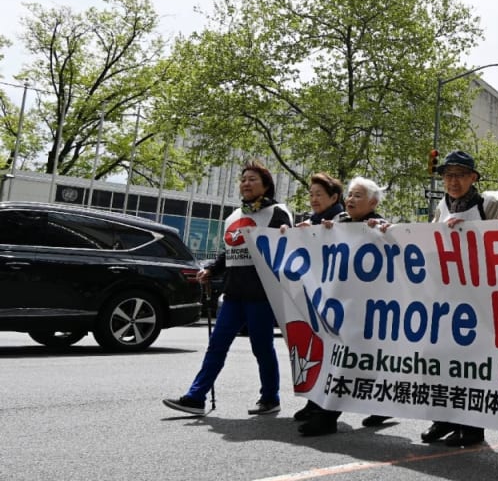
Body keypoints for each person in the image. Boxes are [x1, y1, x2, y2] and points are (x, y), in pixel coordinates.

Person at [163, 160, 291, 417]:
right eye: (243, 179)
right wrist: (210, 268)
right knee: (216, 345)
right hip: (233, 294)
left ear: (266, 185)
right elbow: (230, 252)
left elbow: (290, 248)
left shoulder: (278, 213)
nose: (246, 183)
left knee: (262, 347)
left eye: (253, 179)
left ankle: (270, 397)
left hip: (261, 295)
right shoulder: (234, 216)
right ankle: (196, 397)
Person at [419, 150, 498, 447]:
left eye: (459, 175)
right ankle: (443, 419)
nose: (453, 181)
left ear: (473, 178)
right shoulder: (441, 206)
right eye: (448, 175)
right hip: (445, 297)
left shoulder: (489, 205)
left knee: (471, 365)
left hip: (479, 298)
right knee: (441, 360)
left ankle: (471, 427)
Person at [293, 176, 388, 436]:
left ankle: (327, 416)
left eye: (358, 196)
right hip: (340, 305)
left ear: (373, 202)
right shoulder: (338, 225)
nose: (351, 200)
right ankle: (324, 410)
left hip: (367, 308)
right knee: (341, 357)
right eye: (350, 195)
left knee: (355, 360)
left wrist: (382, 230)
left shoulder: (381, 226)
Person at [291, 173, 344, 424]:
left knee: (335, 353)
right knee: (317, 350)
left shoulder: (343, 222)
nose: (313, 199)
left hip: (339, 300)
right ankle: (314, 401)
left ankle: (328, 410)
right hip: (317, 298)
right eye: (311, 194)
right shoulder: (310, 223)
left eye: (319, 195)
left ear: (334, 197)